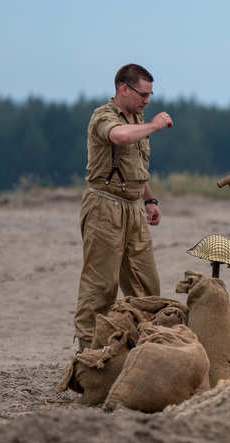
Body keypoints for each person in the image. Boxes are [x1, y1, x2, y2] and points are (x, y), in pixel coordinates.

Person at [73, 64, 174, 351]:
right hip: (104, 206)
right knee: (101, 287)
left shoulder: (137, 118)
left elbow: (137, 166)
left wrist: (149, 200)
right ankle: (89, 354)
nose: (147, 101)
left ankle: (145, 346)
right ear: (124, 89)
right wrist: (154, 125)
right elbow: (120, 136)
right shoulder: (103, 116)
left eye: (151, 95)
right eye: (143, 94)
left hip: (132, 208)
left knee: (147, 285)